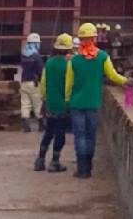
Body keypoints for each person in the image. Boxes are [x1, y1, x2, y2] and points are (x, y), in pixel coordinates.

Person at [65, 22, 129, 179]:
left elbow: (69, 84)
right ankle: (89, 166)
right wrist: (127, 81)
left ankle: (82, 169)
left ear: (81, 39)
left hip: (77, 104)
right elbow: (113, 76)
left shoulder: (73, 60)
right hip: (93, 103)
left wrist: (67, 100)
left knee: (80, 137)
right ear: (95, 38)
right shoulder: (103, 57)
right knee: (90, 136)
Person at [36, 32, 73, 173]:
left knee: (48, 132)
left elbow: (43, 83)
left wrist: (43, 100)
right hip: (63, 105)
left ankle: (40, 159)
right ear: (69, 48)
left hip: (50, 104)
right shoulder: (69, 65)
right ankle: (55, 162)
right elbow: (70, 85)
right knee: (60, 133)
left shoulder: (49, 63)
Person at [19, 32, 44, 133]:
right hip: (35, 83)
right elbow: (41, 70)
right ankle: (41, 126)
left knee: (25, 104)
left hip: (24, 82)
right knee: (37, 104)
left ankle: (26, 126)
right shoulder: (37, 56)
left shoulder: (23, 55)